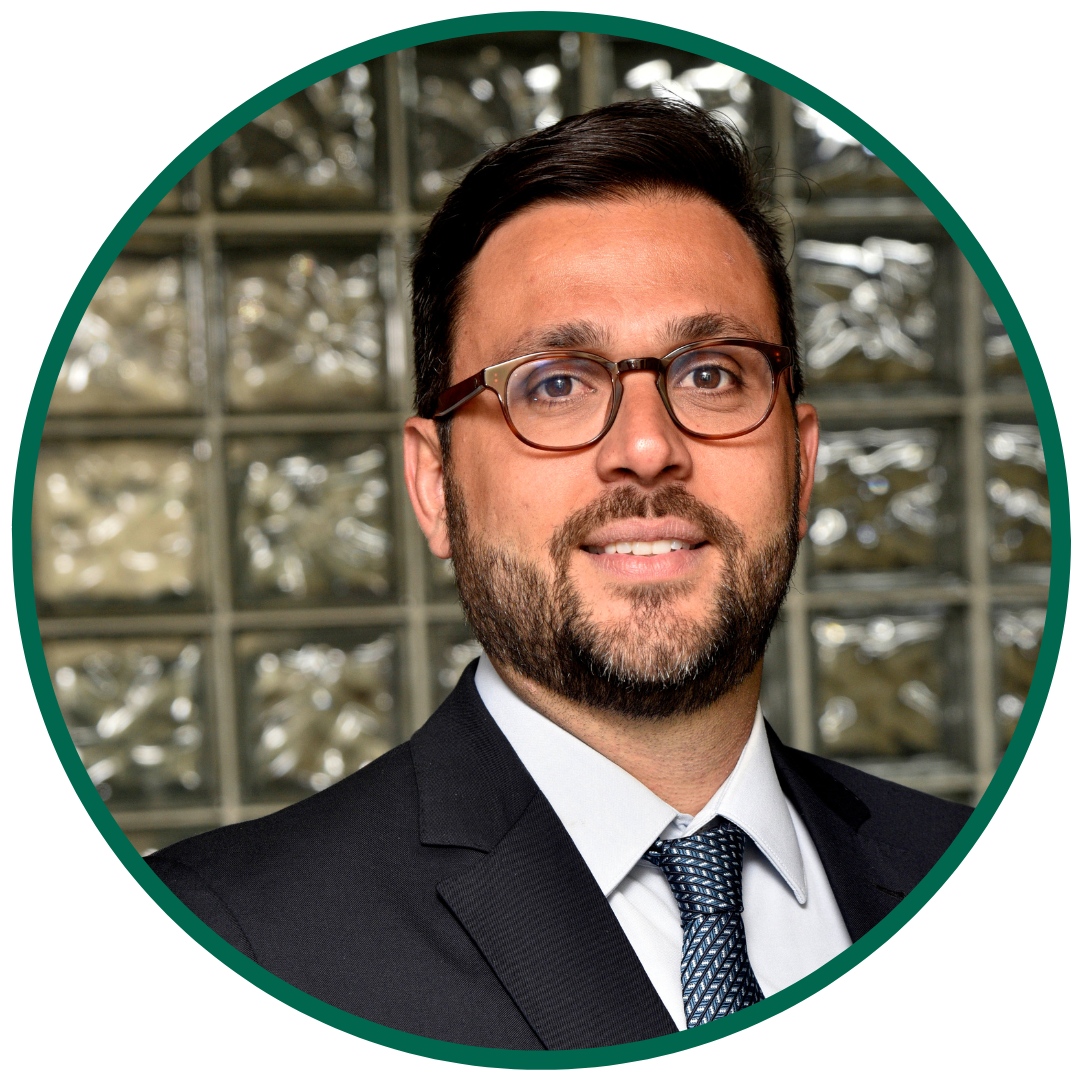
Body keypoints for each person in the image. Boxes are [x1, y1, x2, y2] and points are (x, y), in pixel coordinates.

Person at [148, 99, 971, 1050]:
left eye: (711, 373)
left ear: (801, 462)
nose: (648, 447)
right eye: (555, 383)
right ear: (435, 485)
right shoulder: (219, 943)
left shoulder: (984, 876)